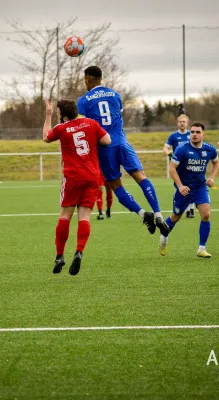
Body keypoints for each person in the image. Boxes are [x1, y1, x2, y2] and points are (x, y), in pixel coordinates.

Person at [77, 66, 169, 235]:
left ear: (88, 79)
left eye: (85, 80)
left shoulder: (83, 101)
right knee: (141, 177)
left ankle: (143, 213)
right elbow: (119, 117)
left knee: (115, 185)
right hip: (122, 142)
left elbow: (83, 127)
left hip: (105, 147)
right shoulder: (115, 95)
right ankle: (158, 213)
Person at [43, 98, 111, 275]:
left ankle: (59, 256)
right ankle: (79, 252)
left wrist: (48, 114)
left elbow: (46, 137)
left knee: (65, 216)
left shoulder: (61, 128)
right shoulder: (91, 123)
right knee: (85, 217)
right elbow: (107, 140)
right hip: (92, 176)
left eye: (58, 113)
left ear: (64, 116)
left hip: (73, 177)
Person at [159, 123, 219, 258]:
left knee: (206, 215)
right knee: (175, 217)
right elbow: (172, 168)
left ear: (203, 134)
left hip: (200, 188)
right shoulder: (182, 149)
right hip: (184, 189)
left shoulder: (210, 149)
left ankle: (201, 249)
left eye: (198, 132)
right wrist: (180, 186)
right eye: (192, 132)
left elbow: (216, 163)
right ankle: (164, 235)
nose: (194, 134)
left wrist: (211, 177)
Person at [164, 114, 196, 218]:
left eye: (184, 121)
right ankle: (187, 208)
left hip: (190, 164)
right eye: (180, 121)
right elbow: (165, 148)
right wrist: (171, 155)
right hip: (178, 166)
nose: (182, 123)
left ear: (187, 123)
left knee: (192, 185)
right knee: (180, 185)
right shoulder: (173, 136)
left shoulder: (192, 134)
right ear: (178, 123)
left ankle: (190, 208)